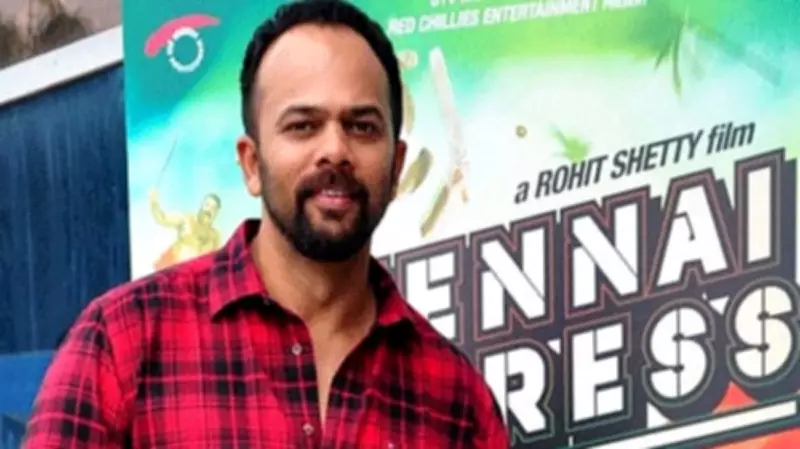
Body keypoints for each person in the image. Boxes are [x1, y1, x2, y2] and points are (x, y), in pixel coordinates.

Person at [23, 0, 509, 447]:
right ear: (251, 164)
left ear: (397, 165)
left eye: (362, 126)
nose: (335, 150)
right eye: (303, 126)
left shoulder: (457, 399)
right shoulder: (123, 341)